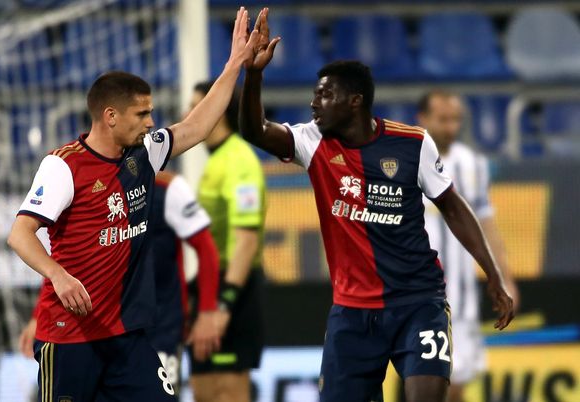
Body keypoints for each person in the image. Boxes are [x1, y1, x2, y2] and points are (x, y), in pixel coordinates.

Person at [238, 10, 514, 402]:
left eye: (324, 95)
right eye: (315, 93)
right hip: (352, 312)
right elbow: (253, 130)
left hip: (418, 303)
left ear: (355, 102)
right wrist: (253, 74)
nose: (314, 103)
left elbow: (453, 206)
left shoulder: (412, 143)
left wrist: (494, 275)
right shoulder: (312, 141)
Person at [7, 7, 263, 400]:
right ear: (110, 116)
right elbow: (20, 234)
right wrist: (58, 275)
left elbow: (196, 125)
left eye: (151, 114)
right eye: (142, 113)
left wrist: (234, 66)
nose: (150, 122)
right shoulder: (63, 166)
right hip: (70, 337)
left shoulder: (144, 154)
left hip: (128, 338)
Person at [18, 170, 223, 398]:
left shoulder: (169, 188)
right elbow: (66, 257)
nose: (146, 131)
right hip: (97, 328)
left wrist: (207, 312)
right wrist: (38, 315)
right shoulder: (80, 180)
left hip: (160, 325)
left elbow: (206, 248)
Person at [416, 90, 519, 402]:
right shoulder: (405, 159)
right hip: (419, 295)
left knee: (458, 383)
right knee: (432, 383)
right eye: (443, 119)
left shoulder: (472, 165)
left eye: (456, 120)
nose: (451, 127)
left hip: (462, 298)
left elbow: (487, 225)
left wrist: (504, 277)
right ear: (423, 119)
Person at [186, 81, 266, 402]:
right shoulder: (216, 159)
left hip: (233, 290)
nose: (186, 114)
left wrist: (223, 306)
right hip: (210, 286)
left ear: (216, 111)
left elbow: (245, 242)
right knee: (204, 389)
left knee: (227, 390)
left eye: (195, 106)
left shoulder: (240, 161)